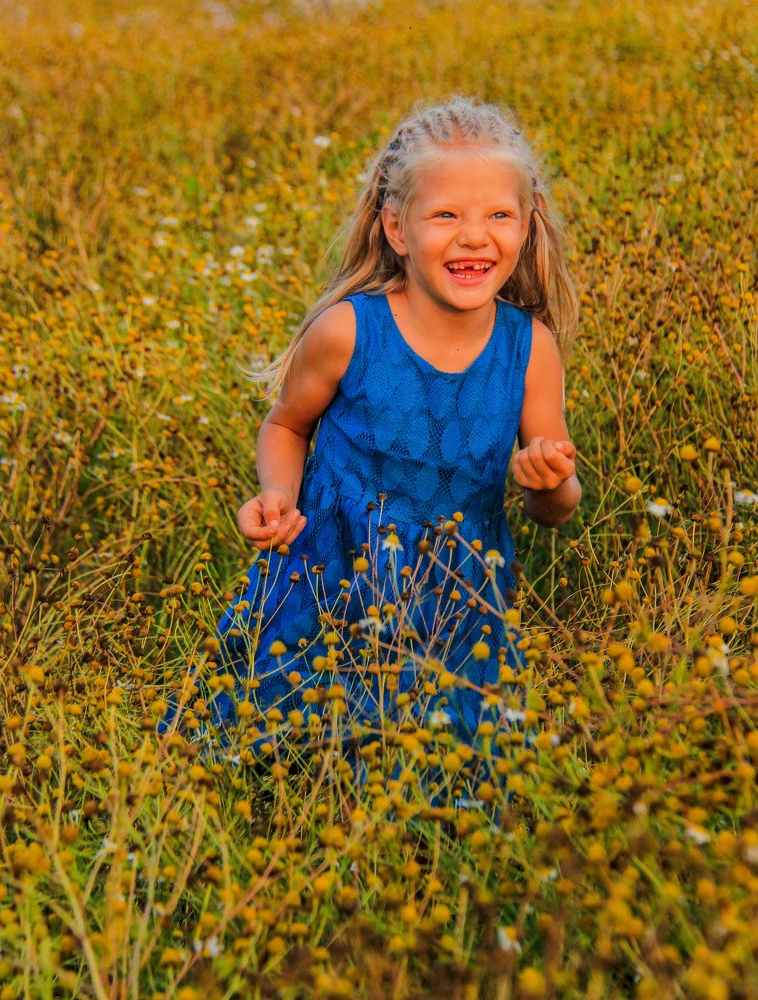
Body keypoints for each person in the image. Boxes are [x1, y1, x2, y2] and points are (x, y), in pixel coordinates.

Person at [183, 97, 581, 765]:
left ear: (525, 225)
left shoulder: (528, 350)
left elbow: (556, 508)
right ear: (396, 229)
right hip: (326, 588)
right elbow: (286, 424)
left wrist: (548, 480)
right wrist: (277, 495)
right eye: (446, 215)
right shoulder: (347, 332)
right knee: (266, 755)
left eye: (498, 215)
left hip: (454, 614)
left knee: (442, 778)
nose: (475, 237)